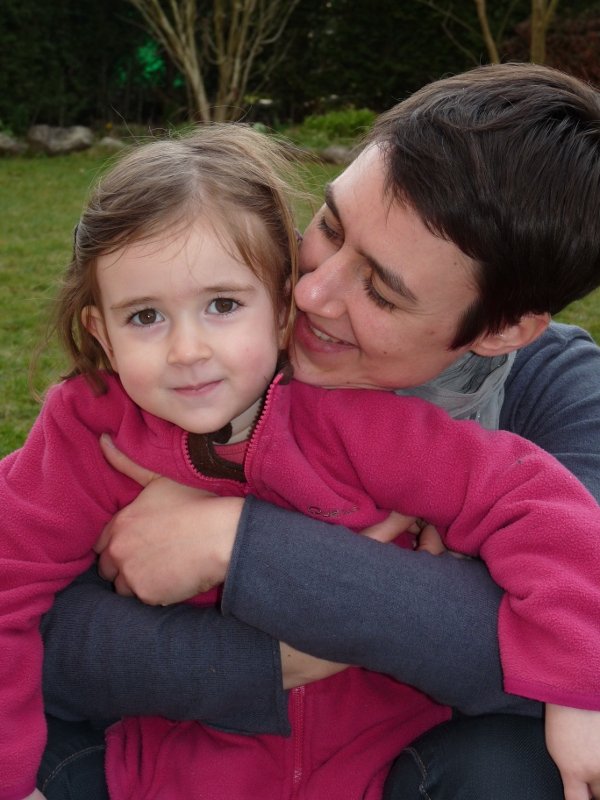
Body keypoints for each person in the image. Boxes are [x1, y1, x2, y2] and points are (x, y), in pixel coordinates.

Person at [37, 62, 600, 799]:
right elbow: (53, 638)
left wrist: (234, 542)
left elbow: (548, 648)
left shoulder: (559, 393)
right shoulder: (212, 347)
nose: (308, 292)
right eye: (330, 226)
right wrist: (363, 618)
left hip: (379, 768)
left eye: (381, 291)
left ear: (502, 330)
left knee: (517, 768)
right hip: (165, 764)